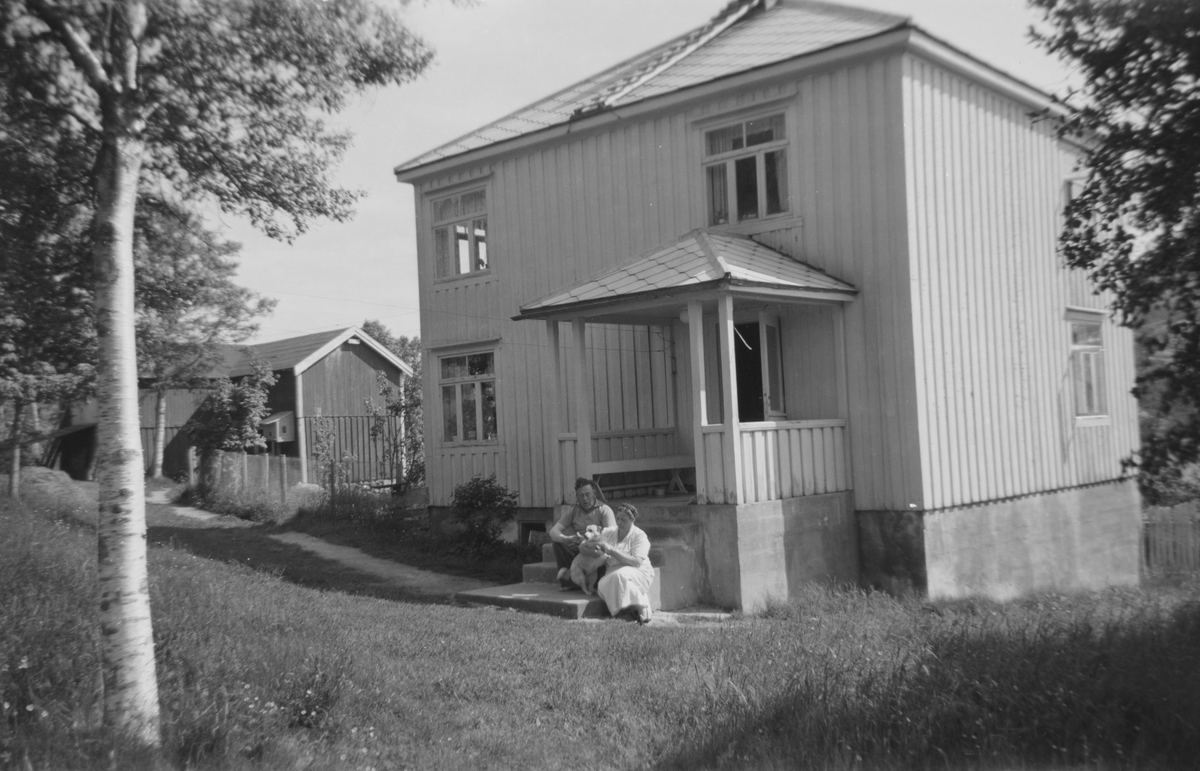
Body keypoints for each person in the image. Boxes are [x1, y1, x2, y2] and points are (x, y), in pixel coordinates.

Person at [548, 477, 616, 590]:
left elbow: (612, 536)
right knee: (558, 543)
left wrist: (590, 543)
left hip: (597, 551)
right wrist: (565, 539)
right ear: (577, 497)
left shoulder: (604, 510)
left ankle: (595, 582)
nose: (585, 499)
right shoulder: (573, 511)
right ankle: (570, 583)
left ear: (594, 494)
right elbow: (553, 532)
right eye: (581, 495)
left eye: (588, 494)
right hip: (580, 552)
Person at [596, 503, 655, 625]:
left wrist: (612, 551)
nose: (619, 522)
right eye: (617, 518)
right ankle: (625, 612)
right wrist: (593, 547)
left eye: (624, 520)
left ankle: (641, 607)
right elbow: (594, 536)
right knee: (602, 585)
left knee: (620, 575)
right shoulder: (610, 532)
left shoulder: (639, 535)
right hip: (613, 572)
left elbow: (637, 562)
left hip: (639, 571)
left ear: (632, 520)